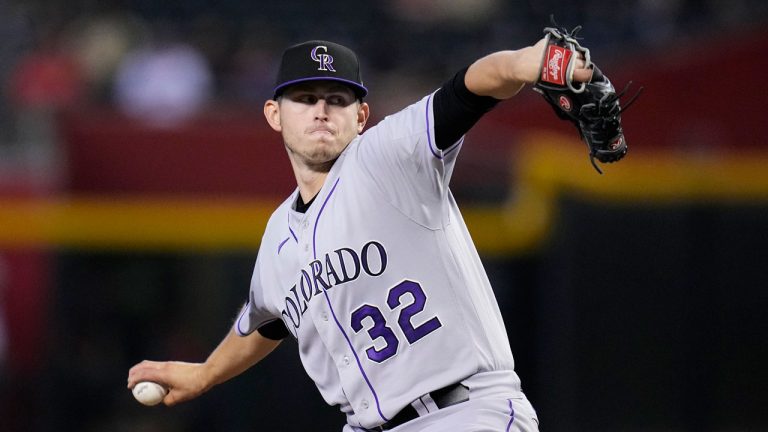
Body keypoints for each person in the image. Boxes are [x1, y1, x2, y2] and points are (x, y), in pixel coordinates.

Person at [128, 37, 592, 431]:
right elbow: (265, 321)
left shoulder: (388, 156)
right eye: (305, 98)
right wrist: (206, 373)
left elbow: (470, 88)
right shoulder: (277, 238)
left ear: (362, 115)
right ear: (274, 114)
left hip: (465, 414)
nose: (322, 110)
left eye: (337, 99)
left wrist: (526, 63)